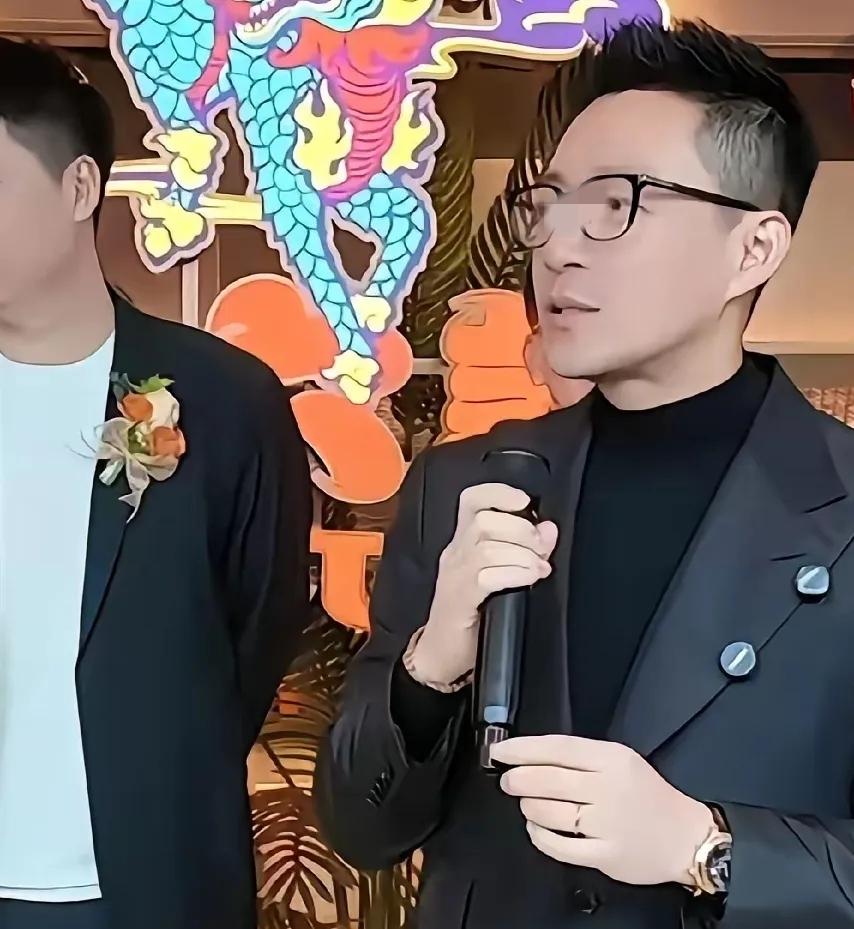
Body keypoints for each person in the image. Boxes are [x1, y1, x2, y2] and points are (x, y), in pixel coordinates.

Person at [316, 18, 854, 929]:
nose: (558, 245)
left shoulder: (840, 505)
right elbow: (360, 826)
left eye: (616, 203)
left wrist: (707, 846)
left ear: (753, 249)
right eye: (550, 205)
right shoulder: (462, 485)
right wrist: (432, 663)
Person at [0, 38, 311, 929]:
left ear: (79, 188)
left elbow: (259, 626)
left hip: (150, 884)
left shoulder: (223, 399)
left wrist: (167, 757)